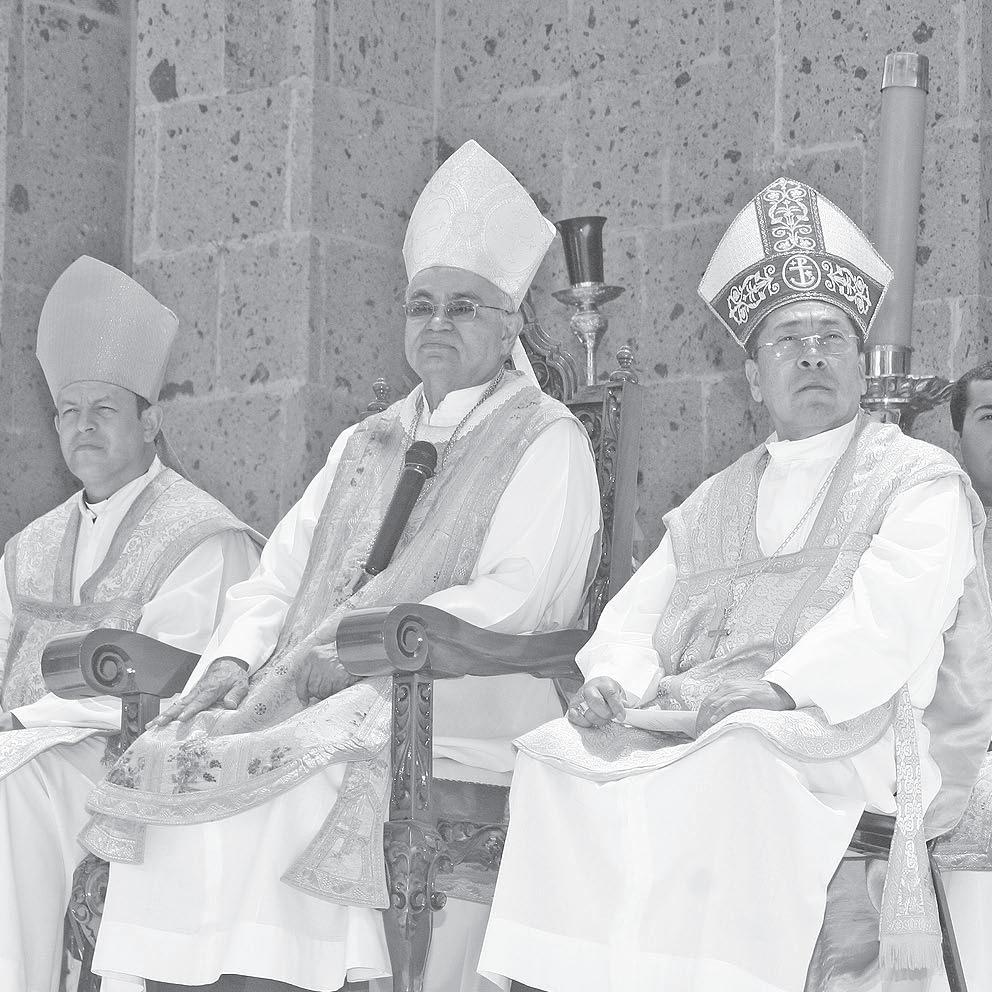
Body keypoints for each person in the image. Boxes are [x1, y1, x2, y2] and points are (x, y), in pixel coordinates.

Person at [84, 140, 601, 992]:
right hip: (322, 684)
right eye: (421, 305)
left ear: (510, 322)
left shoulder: (546, 438)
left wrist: (366, 651)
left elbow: (519, 597)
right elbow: (279, 576)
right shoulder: (365, 442)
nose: (437, 323)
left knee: (296, 771)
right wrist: (232, 661)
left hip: (462, 693)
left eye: (463, 306)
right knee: (180, 750)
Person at [478, 177, 992, 992]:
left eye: (832, 337)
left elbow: (889, 620)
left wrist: (779, 692)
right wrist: (612, 684)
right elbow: (632, 618)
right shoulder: (715, 500)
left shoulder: (916, 479)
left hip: (858, 728)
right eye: (788, 340)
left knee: (742, 754)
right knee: (554, 756)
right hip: (712, 715)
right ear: (753, 379)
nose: (813, 354)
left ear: (861, 364)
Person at [0, 255, 260, 992]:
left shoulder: (202, 536)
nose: (82, 426)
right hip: (32, 748)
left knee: (9, 784)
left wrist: (24, 721)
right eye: (68, 410)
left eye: (103, 410)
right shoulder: (28, 548)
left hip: (127, 758)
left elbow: (176, 679)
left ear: (150, 421)